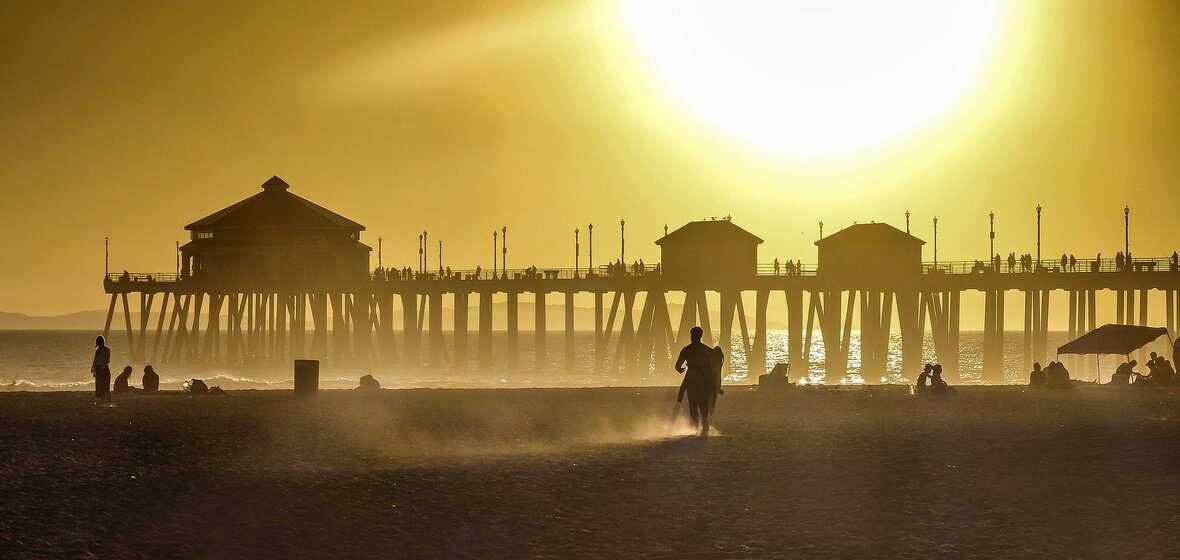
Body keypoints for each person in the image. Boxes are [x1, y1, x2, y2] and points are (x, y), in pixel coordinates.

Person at [675, 326, 717, 436]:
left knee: (693, 405)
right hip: (704, 380)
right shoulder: (707, 350)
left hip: (692, 379)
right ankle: (703, 424)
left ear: (691, 336)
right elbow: (714, 368)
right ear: (701, 336)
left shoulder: (686, 350)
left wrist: (680, 369)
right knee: (702, 404)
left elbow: (677, 366)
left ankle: (699, 426)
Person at [91, 335, 112, 405]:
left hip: (103, 370)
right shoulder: (98, 350)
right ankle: (103, 401)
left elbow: (107, 360)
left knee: (105, 387)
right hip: (99, 370)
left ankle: (109, 401)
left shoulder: (106, 350)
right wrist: (94, 370)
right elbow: (95, 361)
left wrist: (101, 368)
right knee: (100, 388)